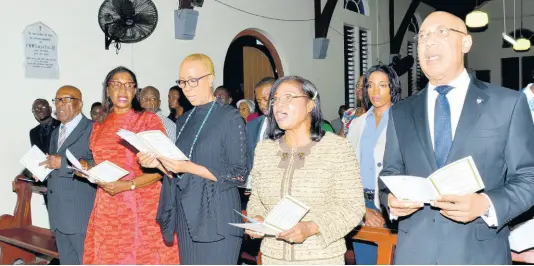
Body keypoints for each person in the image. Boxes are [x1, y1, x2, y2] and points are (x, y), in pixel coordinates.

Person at [379, 11, 534, 264]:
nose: (429, 41)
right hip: (415, 253)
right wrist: (390, 200)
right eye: (423, 37)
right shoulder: (401, 112)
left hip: (479, 253)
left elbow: (529, 178)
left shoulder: (507, 104)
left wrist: (485, 203)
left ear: (465, 43)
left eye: (441, 32)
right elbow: (389, 175)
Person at [138, 53, 249, 265]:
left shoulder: (229, 117)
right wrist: (158, 164)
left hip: (218, 212)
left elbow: (239, 173)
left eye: (192, 81)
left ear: (210, 78)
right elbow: (180, 168)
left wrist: (188, 167)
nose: (186, 88)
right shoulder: (185, 119)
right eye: (182, 82)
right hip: (188, 212)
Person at [245, 76, 365, 264]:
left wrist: (312, 227)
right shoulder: (264, 150)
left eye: (289, 97)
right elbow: (256, 200)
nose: (279, 105)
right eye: (275, 99)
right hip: (273, 257)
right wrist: (257, 219)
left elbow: (352, 207)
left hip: (320, 257)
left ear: (310, 105)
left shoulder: (336, 148)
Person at [82, 66, 180, 265]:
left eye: (129, 85)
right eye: (116, 85)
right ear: (107, 90)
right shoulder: (100, 125)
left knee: (140, 257)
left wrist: (127, 185)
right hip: (108, 205)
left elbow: (165, 168)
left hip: (141, 205)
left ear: (135, 91)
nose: (122, 90)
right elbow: (103, 162)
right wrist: (88, 169)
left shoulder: (147, 120)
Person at [346, 65, 402, 265]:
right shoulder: (357, 124)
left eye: (383, 85)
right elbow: (348, 168)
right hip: (361, 204)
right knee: (366, 260)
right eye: (370, 86)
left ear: (393, 89)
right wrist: (361, 208)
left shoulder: (404, 120)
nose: (375, 91)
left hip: (392, 203)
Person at [40, 86, 96, 265]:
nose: (59, 105)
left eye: (65, 99)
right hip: (58, 214)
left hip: (79, 215)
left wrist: (62, 163)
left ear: (79, 104)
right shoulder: (57, 132)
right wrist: (43, 170)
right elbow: (53, 163)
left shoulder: (93, 129)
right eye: (57, 100)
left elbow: (95, 164)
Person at [243, 77, 276, 193]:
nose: (262, 105)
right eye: (258, 101)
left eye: (266, 99)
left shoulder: (289, 126)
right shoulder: (251, 126)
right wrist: (249, 182)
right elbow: (249, 158)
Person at [29, 98, 60, 206]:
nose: (39, 110)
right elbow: (36, 155)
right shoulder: (33, 132)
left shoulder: (62, 126)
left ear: (50, 109)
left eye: (42, 106)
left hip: (61, 179)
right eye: (36, 109)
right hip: (45, 182)